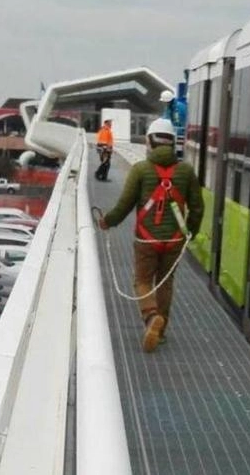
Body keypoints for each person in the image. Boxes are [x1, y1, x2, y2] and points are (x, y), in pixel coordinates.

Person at [98, 118, 204, 352]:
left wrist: (107, 222)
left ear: (149, 141)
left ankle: (150, 317)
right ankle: (161, 331)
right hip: (175, 239)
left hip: (146, 239)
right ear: (173, 142)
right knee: (165, 284)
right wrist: (192, 232)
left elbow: (124, 205)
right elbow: (197, 207)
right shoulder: (186, 171)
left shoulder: (141, 170)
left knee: (142, 281)